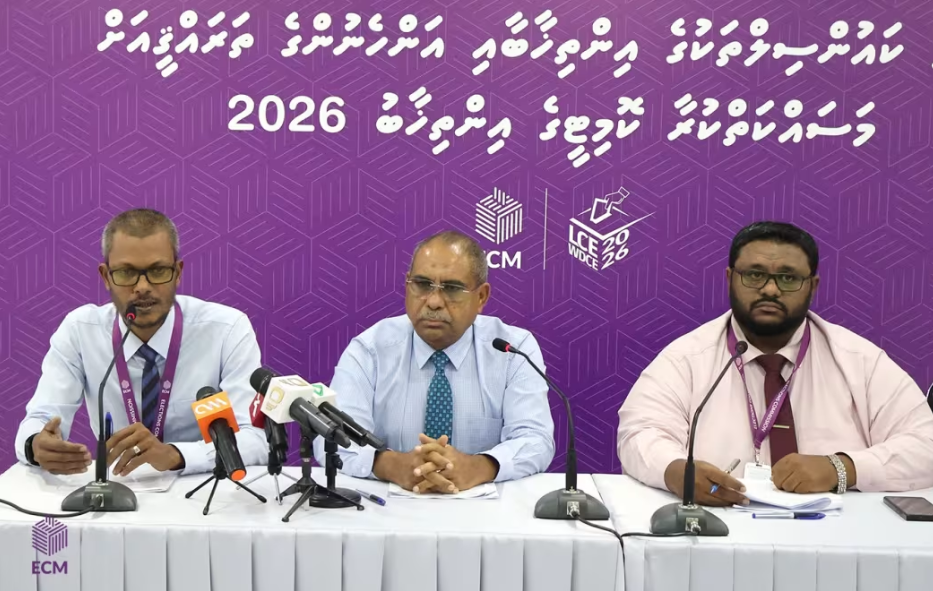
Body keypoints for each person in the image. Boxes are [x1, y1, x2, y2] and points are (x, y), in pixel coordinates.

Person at [617, 221, 933, 506]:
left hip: (838, 536)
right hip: (720, 529)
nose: (770, 289)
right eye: (755, 275)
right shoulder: (686, 358)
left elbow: (926, 444)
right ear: (730, 278)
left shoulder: (859, 361)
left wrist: (843, 468)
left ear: (813, 286)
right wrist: (676, 471)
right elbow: (640, 434)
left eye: (788, 278)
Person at [15, 208, 266, 477]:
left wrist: (176, 455)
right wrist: (35, 445)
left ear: (178, 272)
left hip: (203, 485)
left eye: (158, 270)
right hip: (118, 485)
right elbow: (40, 418)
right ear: (106, 277)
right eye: (126, 272)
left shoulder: (226, 330)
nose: (143, 287)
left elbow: (255, 439)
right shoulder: (80, 331)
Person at [316, 230, 555, 493]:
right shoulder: (369, 350)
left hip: (484, 510)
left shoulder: (512, 351)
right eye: (422, 284)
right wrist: (393, 465)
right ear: (407, 285)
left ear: (481, 297)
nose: (433, 302)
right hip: (387, 509)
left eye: (452, 289)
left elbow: (535, 439)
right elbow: (330, 435)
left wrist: (478, 467)